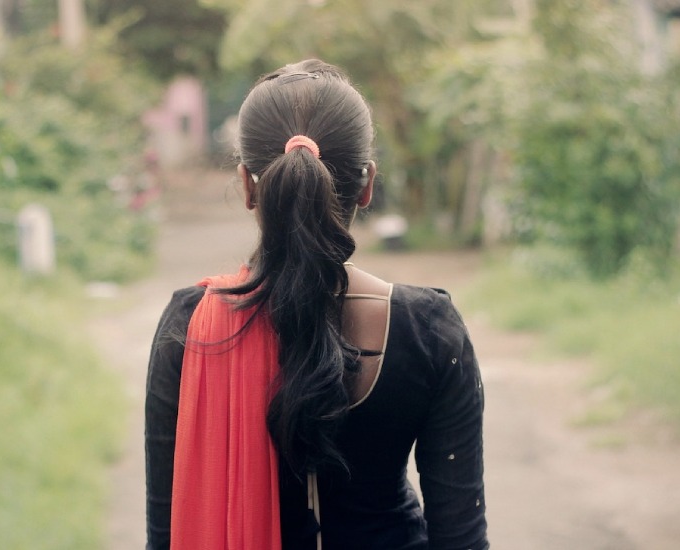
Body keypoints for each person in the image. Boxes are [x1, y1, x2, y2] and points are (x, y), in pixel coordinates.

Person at [145, 59, 488, 550]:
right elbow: (461, 540)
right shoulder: (430, 330)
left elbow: (167, 535)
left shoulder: (192, 327)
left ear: (248, 186)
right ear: (367, 185)